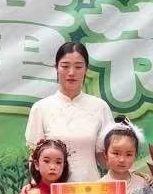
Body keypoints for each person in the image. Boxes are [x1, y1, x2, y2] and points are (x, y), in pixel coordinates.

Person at [25, 42, 114, 182]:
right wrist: (35, 189)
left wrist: (130, 175)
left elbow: (109, 156)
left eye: (78, 67)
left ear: (86, 69)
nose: (71, 73)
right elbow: (34, 157)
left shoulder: (100, 107)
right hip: (53, 192)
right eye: (65, 66)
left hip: (90, 188)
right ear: (56, 68)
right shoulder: (41, 108)